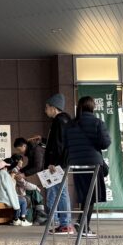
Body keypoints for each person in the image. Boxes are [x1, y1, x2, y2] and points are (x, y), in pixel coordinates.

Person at [64, 96, 111, 237]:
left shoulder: (70, 125)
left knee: (84, 194)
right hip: (93, 163)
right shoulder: (97, 123)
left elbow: (66, 144)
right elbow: (105, 143)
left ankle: (83, 223)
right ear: (92, 107)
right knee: (91, 196)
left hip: (76, 164)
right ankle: (83, 225)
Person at [44, 94, 74, 234]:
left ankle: (65, 224)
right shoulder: (66, 120)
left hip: (58, 164)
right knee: (60, 192)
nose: (45, 110)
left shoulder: (59, 121)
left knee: (61, 192)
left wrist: (53, 163)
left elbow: (58, 144)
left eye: (47, 107)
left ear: (53, 107)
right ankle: (64, 223)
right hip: (63, 162)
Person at [7, 154, 34, 226]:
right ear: (17, 161)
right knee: (24, 200)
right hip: (15, 194)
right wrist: (35, 187)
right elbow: (23, 183)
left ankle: (18, 218)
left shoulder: (11, 171)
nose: (22, 163)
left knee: (25, 198)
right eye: (21, 161)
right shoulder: (14, 171)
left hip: (14, 193)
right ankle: (22, 219)